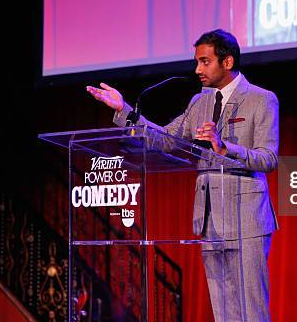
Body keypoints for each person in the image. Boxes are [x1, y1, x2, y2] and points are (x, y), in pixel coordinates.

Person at [86, 29, 279, 321]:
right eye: (197, 62)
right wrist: (125, 111)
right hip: (210, 220)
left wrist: (225, 147)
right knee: (223, 310)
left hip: (246, 220)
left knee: (251, 309)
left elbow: (268, 158)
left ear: (227, 62)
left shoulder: (261, 99)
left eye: (205, 62)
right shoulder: (198, 102)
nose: (197, 69)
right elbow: (167, 139)